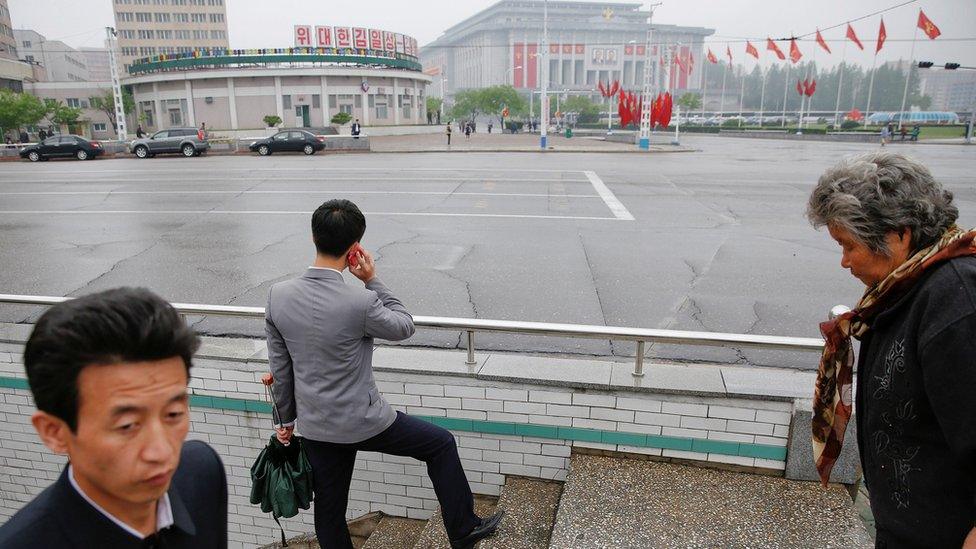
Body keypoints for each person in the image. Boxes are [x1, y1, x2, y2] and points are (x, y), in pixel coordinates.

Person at [265, 200, 503, 549]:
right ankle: (463, 529)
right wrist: (372, 280)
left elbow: (280, 368)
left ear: (313, 236)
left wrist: (284, 420)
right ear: (354, 249)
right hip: (367, 422)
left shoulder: (278, 296)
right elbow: (404, 326)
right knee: (440, 444)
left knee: (329, 512)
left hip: (317, 427)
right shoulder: (359, 301)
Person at [806, 151, 976, 549]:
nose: (844, 261)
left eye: (848, 245)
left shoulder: (957, 303)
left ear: (900, 234)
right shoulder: (904, 290)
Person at [0, 288, 228, 548]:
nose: (161, 452)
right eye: (127, 426)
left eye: (173, 414)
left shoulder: (200, 475)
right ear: (55, 432)